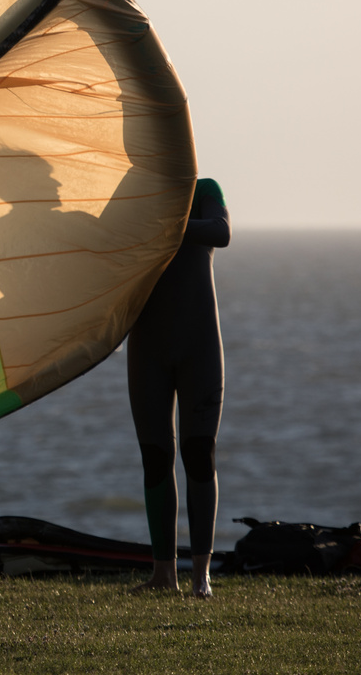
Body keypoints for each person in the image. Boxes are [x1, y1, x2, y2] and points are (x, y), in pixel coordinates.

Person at [127, 178, 229, 598]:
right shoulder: (132, 196)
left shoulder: (205, 190)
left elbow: (220, 232)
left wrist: (165, 225)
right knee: (155, 457)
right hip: (147, 348)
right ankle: (163, 575)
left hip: (199, 347)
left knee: (198, 454)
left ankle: (200, 576)